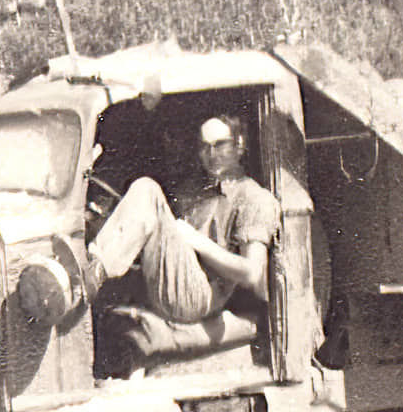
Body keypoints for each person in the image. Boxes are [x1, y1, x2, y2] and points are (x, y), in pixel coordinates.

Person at [85, 114, 280, 324]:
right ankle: (89, 269)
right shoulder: (196, 190)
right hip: (172, 280)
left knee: (147, 188)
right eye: (205, 147)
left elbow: (252, 273)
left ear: (239, 146)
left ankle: (96, 271)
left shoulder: (255, 198)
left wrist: (197, 240)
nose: (211, 154)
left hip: (200, 295)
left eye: (220, 145)